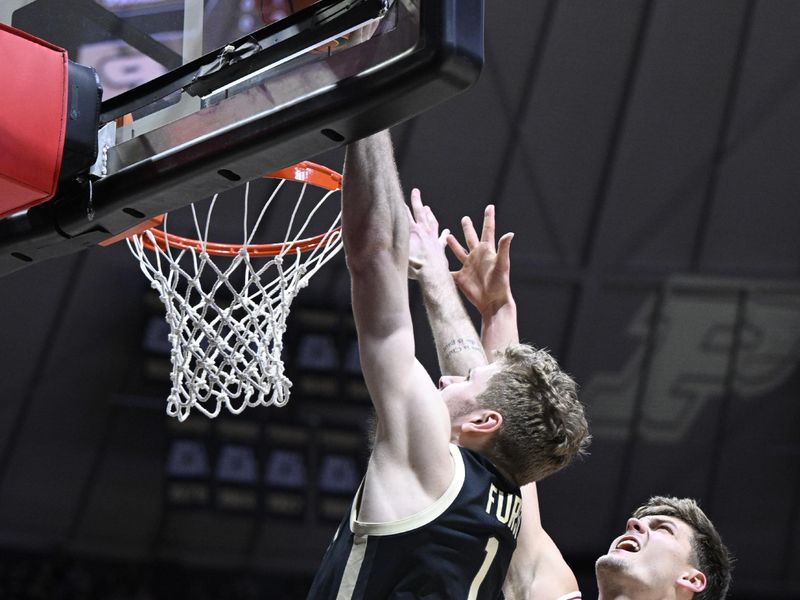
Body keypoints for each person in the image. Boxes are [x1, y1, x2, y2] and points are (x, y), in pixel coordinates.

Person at [307, 131, 589, 599]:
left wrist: (370, 109)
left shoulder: (434, 465)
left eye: (469, 381)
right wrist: (438, 279)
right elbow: (481, 388)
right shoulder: (507, 512)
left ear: (485, 421)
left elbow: (374, 259)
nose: (449, 377)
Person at [410, 199, 733, 600]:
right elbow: (498, 419)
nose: (633, 526)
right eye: (641, 522)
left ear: (692, 579)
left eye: (661, 530)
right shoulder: (551, 589)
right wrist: (494, 311)